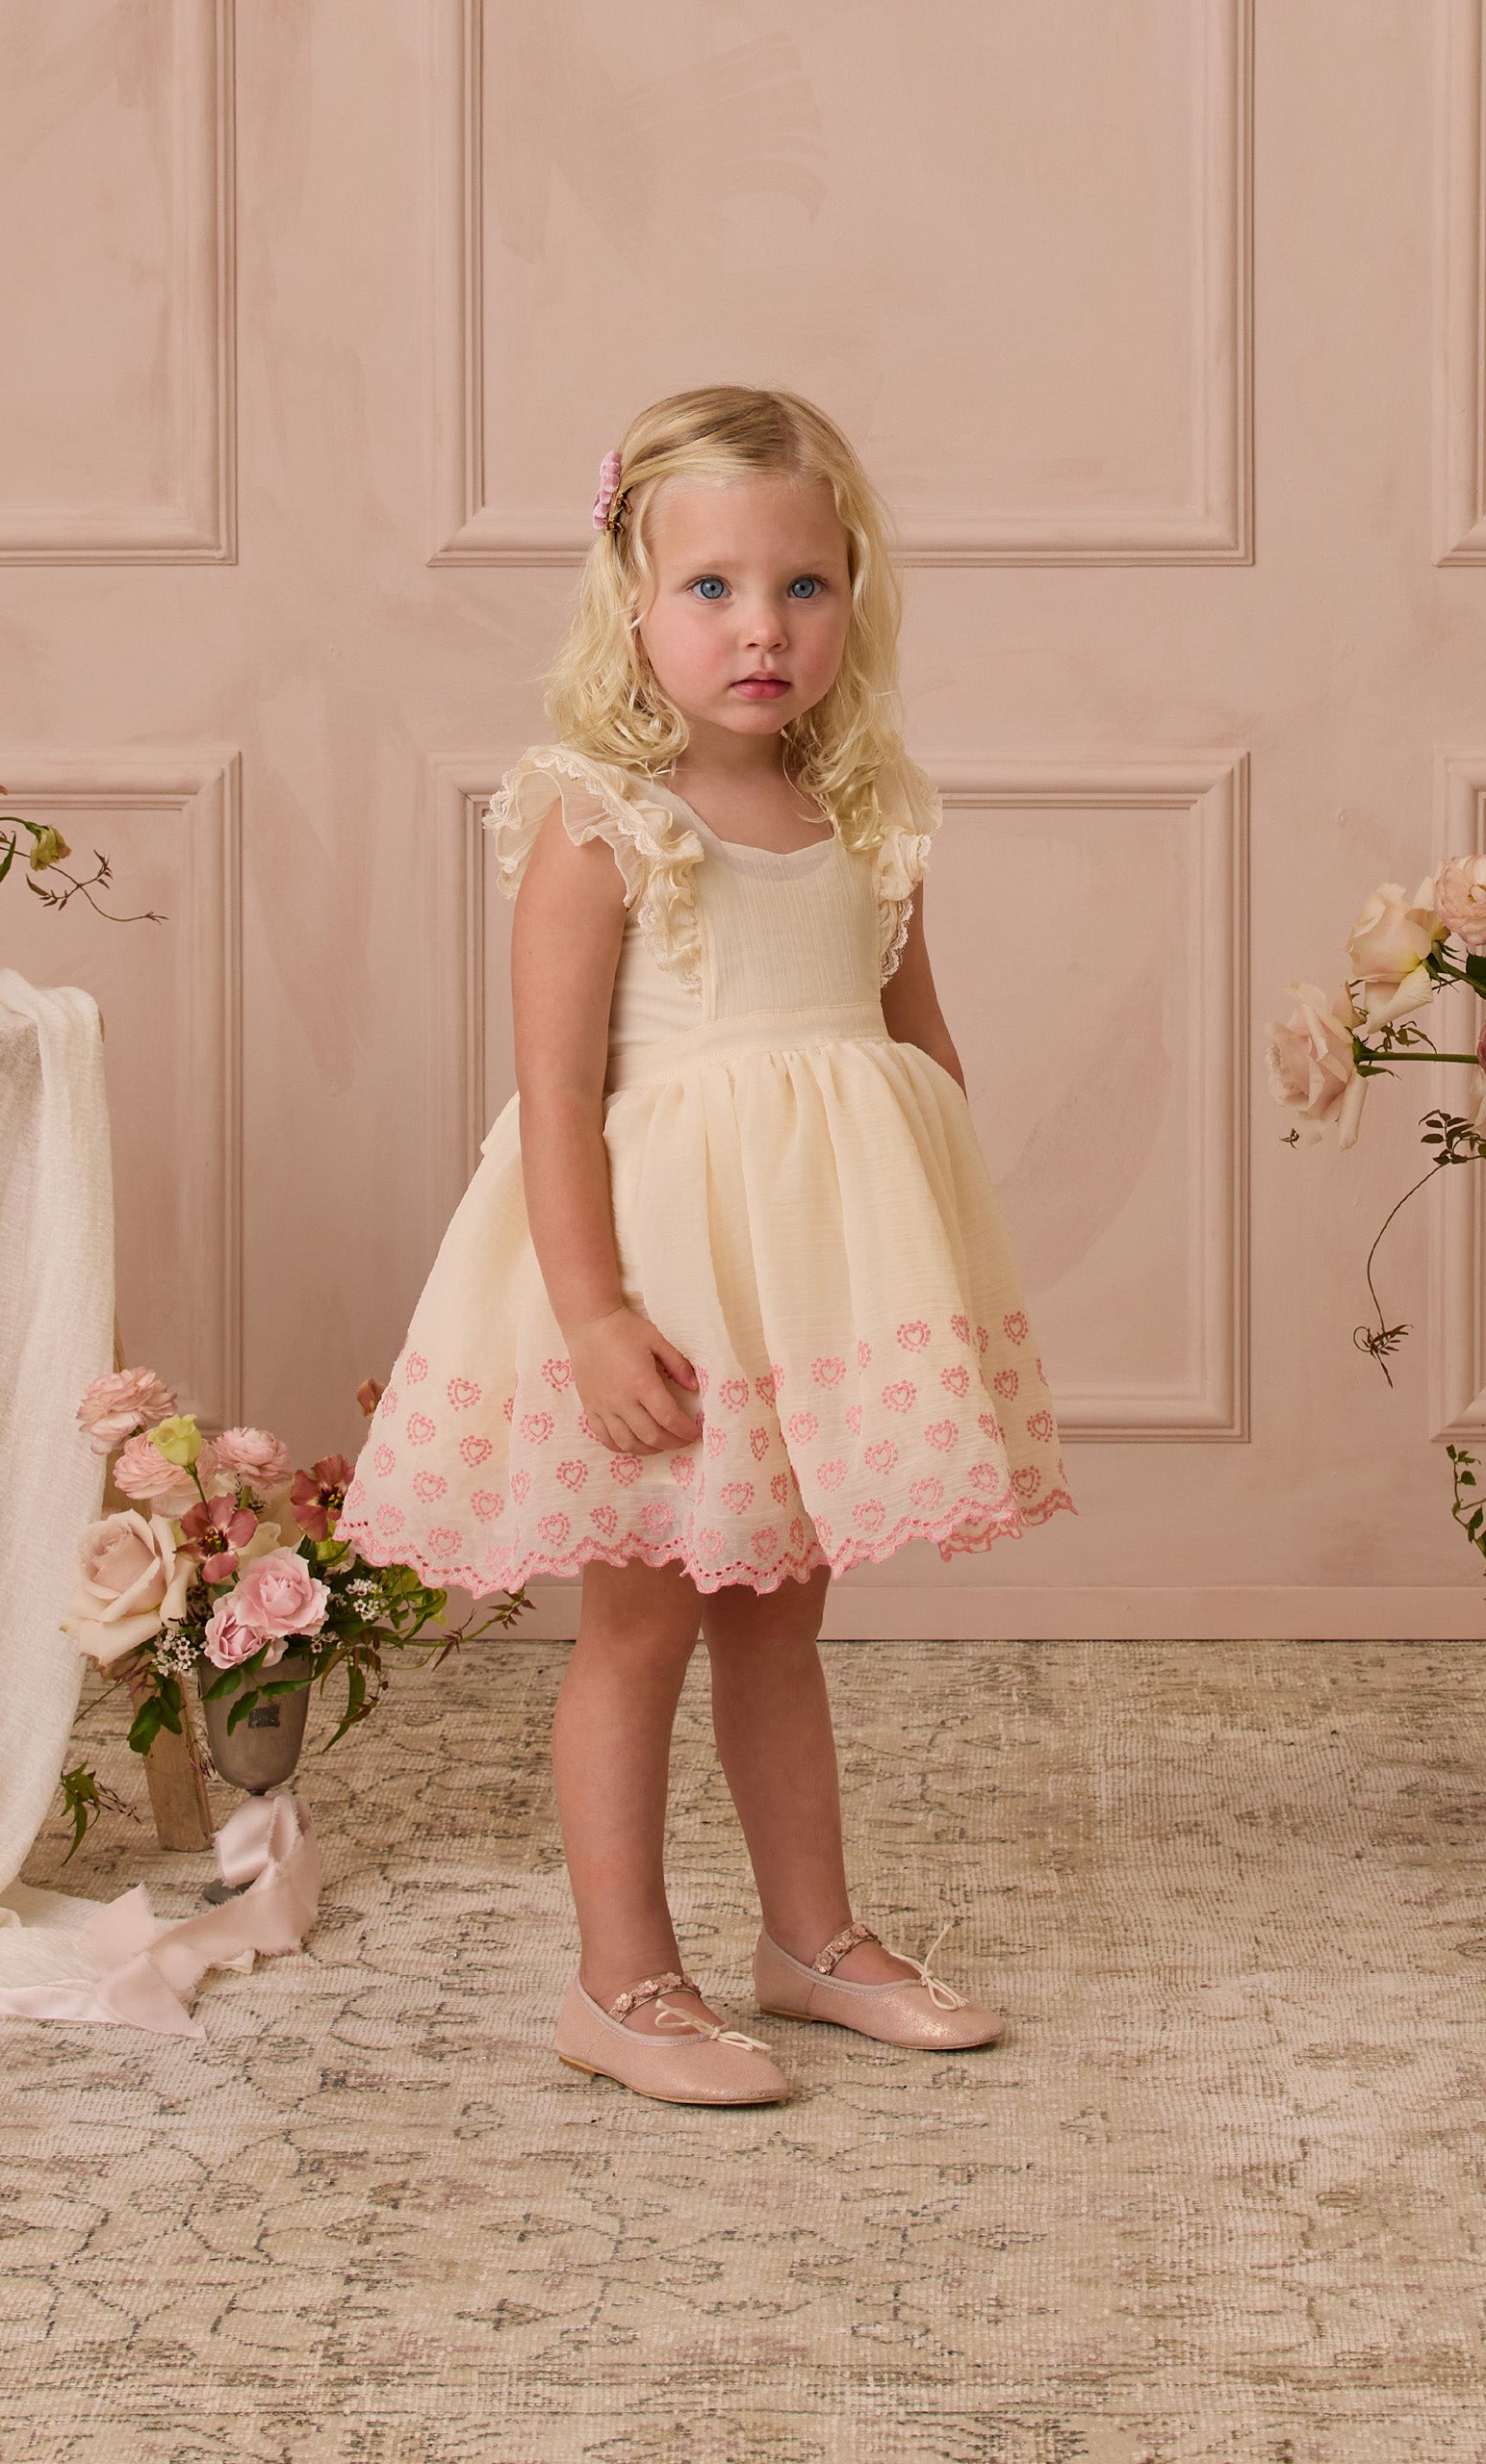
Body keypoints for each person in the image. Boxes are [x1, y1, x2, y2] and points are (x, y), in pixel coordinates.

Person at [337, 386, 1075, 2106]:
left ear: (853, 596)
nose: (763, 629)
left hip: (811, 1291)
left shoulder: (864, 813)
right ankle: (622, 1983)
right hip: (666, 1294)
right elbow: (554, 1092)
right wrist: (591, 1313)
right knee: (638, 1632)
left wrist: (930, 1271)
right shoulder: (603, 819)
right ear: (632, 600)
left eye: (804, 587)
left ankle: (808, 1942)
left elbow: (919, 1055)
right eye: (714, 588)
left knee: (780, 1627)